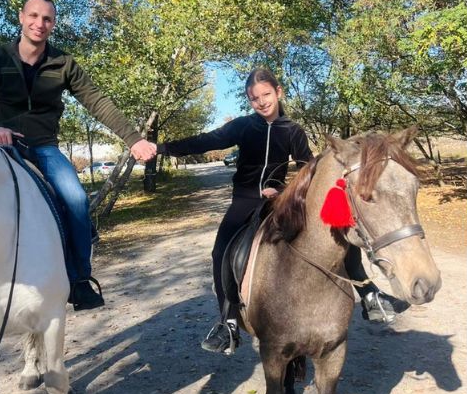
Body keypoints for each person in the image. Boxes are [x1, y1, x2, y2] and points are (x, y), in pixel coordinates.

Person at [156, 68, 401, 355]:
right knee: (220, 251)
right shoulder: (242, 127)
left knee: (337, 230)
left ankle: (368, 292)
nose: (261, 102)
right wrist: (161, 147)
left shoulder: (292, 130)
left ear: (278, 92)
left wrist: (285, 191)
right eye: (254, 98)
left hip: (281, 201)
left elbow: (308, 169)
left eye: (266, 95)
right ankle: (229, 321)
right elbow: (204, 141)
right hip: (245, 201)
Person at [0, 0, 157, 310]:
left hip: (44, 148)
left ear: (53, 24)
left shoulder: (63, 63)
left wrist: (133, 139)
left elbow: (98, 102)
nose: (40, 23)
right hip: (3, 147)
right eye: (34, 16)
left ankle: (79, 280)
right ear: (22, 18)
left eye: (47, 19)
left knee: (76, 199)